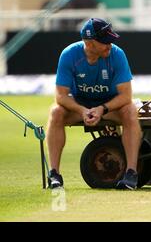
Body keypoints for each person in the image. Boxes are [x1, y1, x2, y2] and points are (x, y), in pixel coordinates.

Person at [46, 18, 142, 190]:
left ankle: (131, 174)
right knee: (56, 112)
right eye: (105, 42)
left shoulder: (117, 54)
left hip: (109, 107)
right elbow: (60, 96)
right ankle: (54, 174)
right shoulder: (69, 55)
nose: (110, 45)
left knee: (130, 110)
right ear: (89, 44)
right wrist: (82, 110)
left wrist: (102, 108)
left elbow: (126, 96)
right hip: (80, 106)